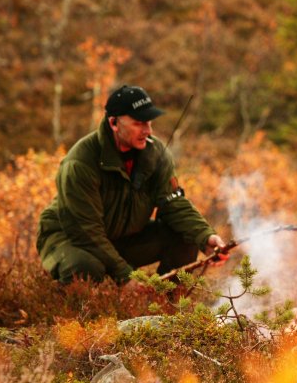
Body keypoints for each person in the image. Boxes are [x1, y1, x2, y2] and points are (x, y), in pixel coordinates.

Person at [36, 84, 226, 292]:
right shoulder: (80, 163)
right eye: (139, 123)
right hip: (71, 238)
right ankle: (73, 317)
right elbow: (85, 232)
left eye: (149, 122)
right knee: (85, 269)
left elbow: (174, 204)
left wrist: (205, 236)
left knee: (186, 236)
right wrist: (126, 277)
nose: (148, 130)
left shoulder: (155, 154)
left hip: (121, 237)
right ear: (114, 123)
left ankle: (165, 307)